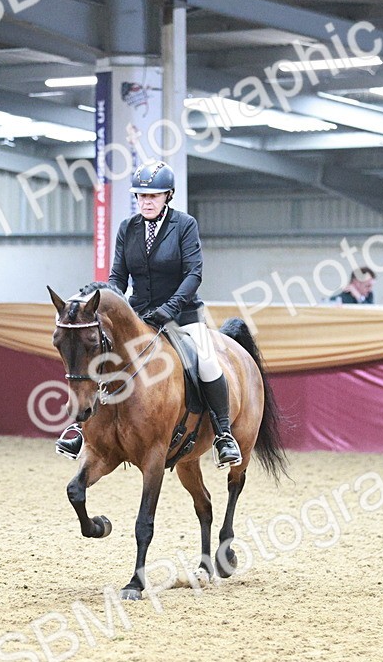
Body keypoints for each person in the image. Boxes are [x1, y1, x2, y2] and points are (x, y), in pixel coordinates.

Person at [55, 161, 243, 469]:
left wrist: (169, 309)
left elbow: (193, 274)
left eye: (153, 196)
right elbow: (117, 277)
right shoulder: (127, 228)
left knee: (207, 362)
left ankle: (223, 435)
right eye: (141, 196)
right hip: (138, 314)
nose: (147, 202)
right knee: (100, 357)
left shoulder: (184, 225)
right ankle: (79, 427)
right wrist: (115, 306)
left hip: (183, 314)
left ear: (167, 196)